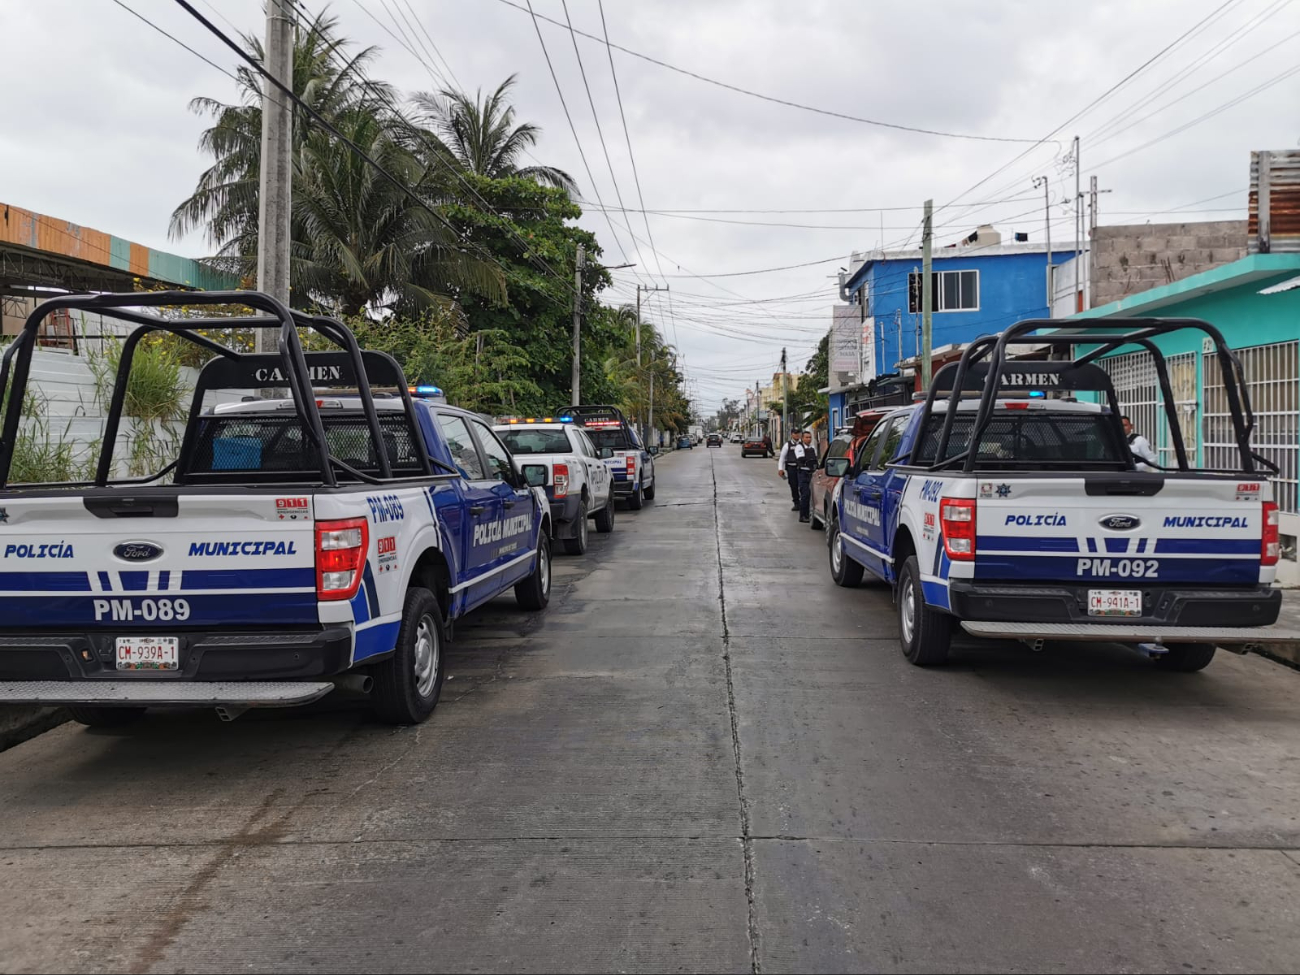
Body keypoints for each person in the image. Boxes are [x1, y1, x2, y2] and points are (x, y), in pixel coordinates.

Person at [795, 430, 818, 523]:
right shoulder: (799, 447)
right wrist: (810, 461)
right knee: (805, 495)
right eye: (806, 437)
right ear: (802, 438)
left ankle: (809, 514)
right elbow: (801, 459)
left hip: (812, 473)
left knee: (812, 495)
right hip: (803, 474)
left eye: (810, 437)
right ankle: (803, 515)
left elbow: (814, 459)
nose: (809, 439)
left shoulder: (812, 447)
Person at [778, 431, 802, 510]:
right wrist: (780, 469)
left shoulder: (802, 444)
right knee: (793, 486)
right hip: (791, 468)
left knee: (803, 486)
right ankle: (796, 503)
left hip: (801, 468)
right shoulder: (787, 445)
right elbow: (782, 458)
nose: (797, 435)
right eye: (795, 433)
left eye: (798, 433)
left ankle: (804, 502)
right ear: (792, 434)